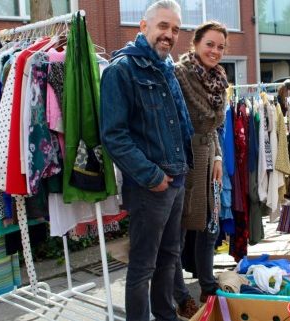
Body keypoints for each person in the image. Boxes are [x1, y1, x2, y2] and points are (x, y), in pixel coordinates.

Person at [99, 1, 194, 320]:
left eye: (176, 29)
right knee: (142, 266)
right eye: (163, 26)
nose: (169, 34)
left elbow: (178, 124)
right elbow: (114, 136)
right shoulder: (120, 70)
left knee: (170, 257)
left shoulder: (167, 68)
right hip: (150, 187)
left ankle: (165, 315)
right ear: (143, 27)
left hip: (176, 181)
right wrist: (152, 176)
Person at [171, 21, 228, 319]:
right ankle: (180, 296)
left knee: (210, 227)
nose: (215, 51)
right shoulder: (179, 74)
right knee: (178, 231)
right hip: (185, 157)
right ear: (195, 43)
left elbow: (214, 128)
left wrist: (218, 157)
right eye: (210, 44)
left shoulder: (219, 78)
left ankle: (208, 285)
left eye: (220, 46)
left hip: (209, 158)